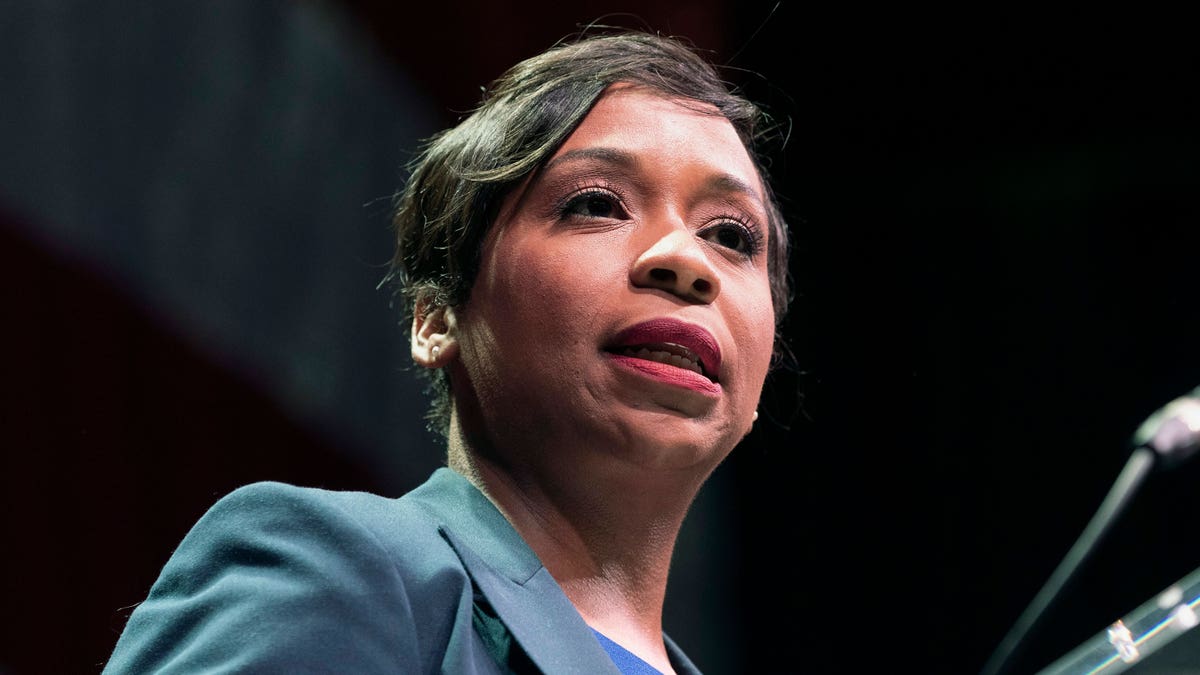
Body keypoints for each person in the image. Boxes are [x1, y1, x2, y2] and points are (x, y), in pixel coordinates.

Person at [102, 28, 792, 674]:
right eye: (595, 203)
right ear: (437, 317)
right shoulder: (343, 573)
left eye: (731, 236)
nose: (685, 260)